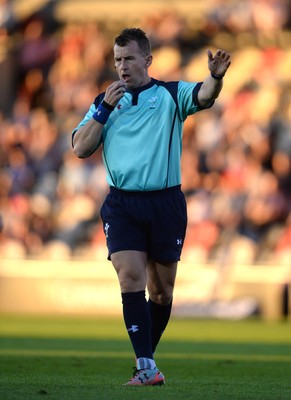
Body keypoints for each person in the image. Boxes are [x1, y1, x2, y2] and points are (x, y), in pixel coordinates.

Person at [72, 27, 231, 386]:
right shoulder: (105, 101)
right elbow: (81, 148)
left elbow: (205, 96)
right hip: (122, 205)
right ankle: (146, 366)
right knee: (130, 277)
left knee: (162, 292)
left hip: (165, 202)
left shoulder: (171, 94)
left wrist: (215, 77)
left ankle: (147, 359)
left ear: (147, 60)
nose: (122, 66)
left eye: (128, 58)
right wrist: (103, 111)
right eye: (117, 60)